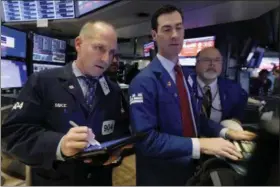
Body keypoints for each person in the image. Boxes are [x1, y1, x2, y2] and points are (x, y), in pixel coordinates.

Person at [128, 5, 256, 186]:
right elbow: (147, 140)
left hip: (190, 170)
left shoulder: (186, 75)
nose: (174, 34)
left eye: (178, 28)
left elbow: (195, 117)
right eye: (166, 29)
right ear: (154, 35)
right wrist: (201, 144)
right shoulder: (143, 82)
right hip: (161, 176)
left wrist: (226, 132)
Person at [1, 21, 130, 186]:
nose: (106, 59)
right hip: (55, 180)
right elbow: (14, 134)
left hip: (99, 180)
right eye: (99, 48)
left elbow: (121, 131)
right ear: (78, 44)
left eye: (112, 53)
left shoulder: (113, 90)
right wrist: (59, 145)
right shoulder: (43, 82)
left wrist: (116, 153)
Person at [194, 47, 248, 124]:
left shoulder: (234, 89)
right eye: (206, 60)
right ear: (196, 63)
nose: (212, 64)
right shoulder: (183, 84)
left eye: (217, 60)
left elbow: (237, 118)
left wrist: (234, 122)